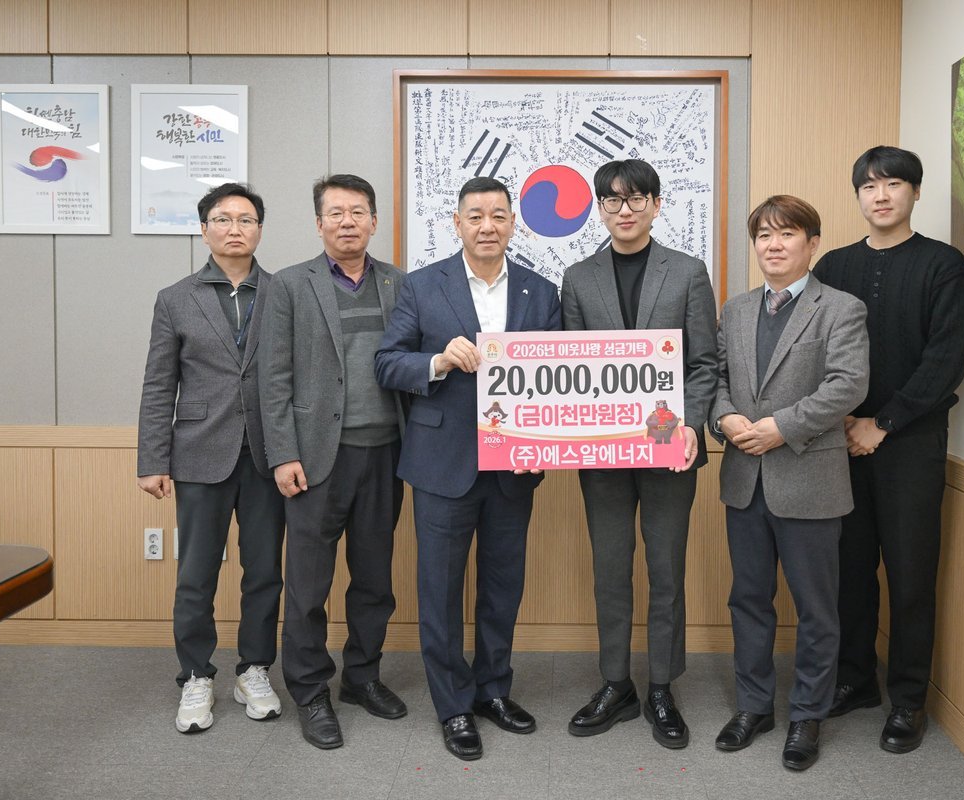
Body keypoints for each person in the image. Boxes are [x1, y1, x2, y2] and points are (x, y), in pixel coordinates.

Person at [375, 176, 561, 761]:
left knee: (504, 586)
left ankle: (493, 690)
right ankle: (453, 705)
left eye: (498, 216)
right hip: (442, 462)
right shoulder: (421, 285)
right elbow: (387, 362)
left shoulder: (540, 291)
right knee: (440, 590)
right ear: (456, 224)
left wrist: (544, 443)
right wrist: (436, 360)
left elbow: (557, 378)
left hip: (514, 465)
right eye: (475, 216)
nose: (487, 226)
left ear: (513, 224)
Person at [812, 146, 964, 753]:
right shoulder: (833, 265)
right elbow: (812, 347)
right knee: (849, 571)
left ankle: (908, 699)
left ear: (915, 192)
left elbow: (946, 358)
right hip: (838, 441)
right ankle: (855, 678)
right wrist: (837, 420)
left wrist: (882, 423)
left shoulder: (943, 265)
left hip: (911, 443)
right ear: (857, 195)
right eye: (869, 186)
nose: (881, 196)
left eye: (894, 184)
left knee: (910, 576)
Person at [561, 159, 718, 749]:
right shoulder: (578, 278)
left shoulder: (688, 272)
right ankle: (615, 682)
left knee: (666, 569)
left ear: (655, 204)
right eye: (612, 200)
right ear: (599, 208)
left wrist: (691, 425)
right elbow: (570, 367)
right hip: (602, 451)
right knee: (610, 569)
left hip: (668, 444)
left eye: (635, 199)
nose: (624, 210)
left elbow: (704, 362)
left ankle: (661, 686)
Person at [710, 195, 868, 770]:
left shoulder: (841, 308)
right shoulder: (735, 309)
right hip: (744, 480)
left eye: (787, 234)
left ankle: (807, 715)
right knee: (748, 599)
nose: (773, 245)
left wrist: (782, 427)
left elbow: (848, 384)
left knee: (816, 608)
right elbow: (717, 378)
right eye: (764, 236)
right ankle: (754, 706)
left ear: (812, 243)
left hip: (810, 480)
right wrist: (724, 419)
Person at [258, 174, 409, 750]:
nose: (348, 222)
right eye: (336, 213)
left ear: (374, 221)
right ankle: (310, 690)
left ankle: (362, 677)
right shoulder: (290, 285)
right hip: (316, 458)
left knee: (374, 580)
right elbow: (273, 377)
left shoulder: (399, 282)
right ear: (319, 223)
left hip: (386, 453)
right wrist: (283, 454)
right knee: (308, 586)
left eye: (358, 212)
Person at [137, 182, 285, 734]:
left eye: (245, 220)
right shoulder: (175, 298)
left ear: (259, 230)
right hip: (199, 451)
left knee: (265, 570)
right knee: (196, 573)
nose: (234, 229)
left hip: (269, 454)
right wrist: (152, 459)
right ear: (204, 230)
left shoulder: (285, 292)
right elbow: (159, 384)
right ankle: (196, 674)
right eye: (222, 219)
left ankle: (254, 668)